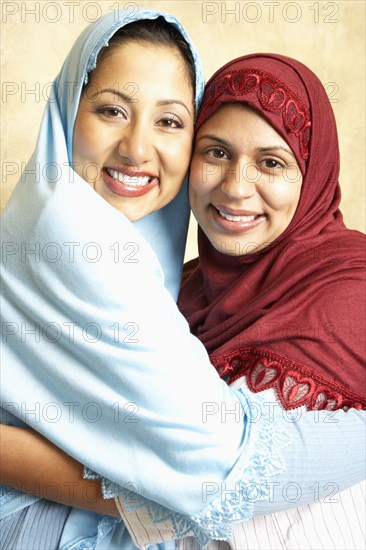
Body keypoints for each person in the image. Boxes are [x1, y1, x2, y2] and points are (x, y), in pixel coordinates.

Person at [1, 34, 365, 550]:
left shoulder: (348, 293)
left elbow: (221, 478)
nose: (236, 187)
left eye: (272, 163)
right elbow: (201, 474)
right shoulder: (159, 277)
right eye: (216, 152)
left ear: (316, 174)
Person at [0, 7, 204, 549]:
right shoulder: (74, 237)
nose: (137, 149)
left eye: (169, 121)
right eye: (113, 110)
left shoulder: (162, 267)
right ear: (68, 110)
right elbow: (208, 457)